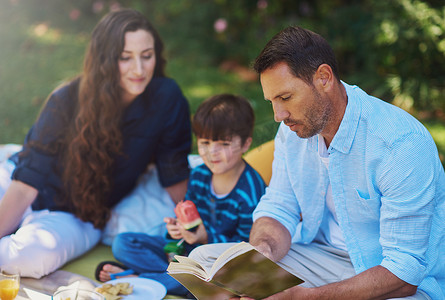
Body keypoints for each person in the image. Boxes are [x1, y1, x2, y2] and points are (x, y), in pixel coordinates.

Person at [188, 26, 445, 299]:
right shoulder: (293, 129)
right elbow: (279, 206)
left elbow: (404, 274)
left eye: (285, 97)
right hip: (322, 258)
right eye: (272, 101)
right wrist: (262, 253)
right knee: (203, 261)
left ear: (324, 78)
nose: (278, 115)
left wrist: (305, 297)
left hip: (388, 277)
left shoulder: (400, 145)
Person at [0, 8, 191, 278]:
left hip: (77, 214)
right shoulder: (66, 99)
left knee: (30, 258)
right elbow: (25, 182)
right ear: (105, 60)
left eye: (146, 56)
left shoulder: (166, 99)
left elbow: (174, 172)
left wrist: (195, 225)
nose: (139, 69)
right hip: (20, 185)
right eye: (125, 58)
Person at [96, 94, 267, 295]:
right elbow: (189, 220)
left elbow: (246, 250)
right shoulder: (200, 174)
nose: (212, 152)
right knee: (123, 243)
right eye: (205, 143)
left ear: (246, 144)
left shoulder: (251, 192)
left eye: (224, 144)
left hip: (216, 264)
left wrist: (205, 237)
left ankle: (136, 279)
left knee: (208, 282)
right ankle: (169, 278)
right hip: (185, 255)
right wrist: (175, 231)